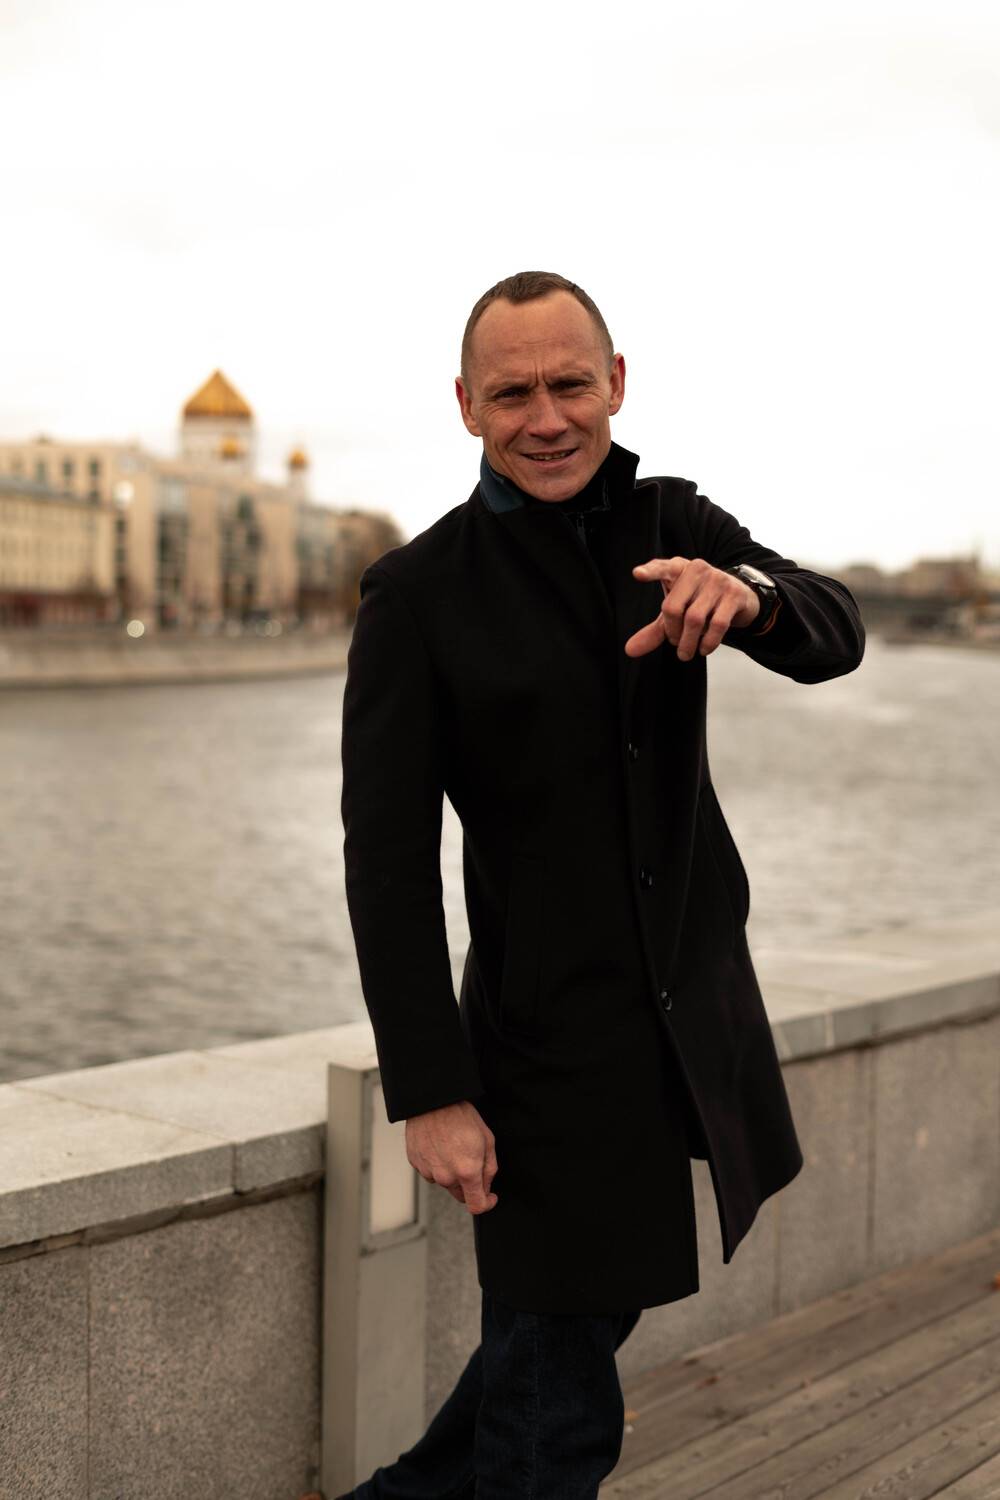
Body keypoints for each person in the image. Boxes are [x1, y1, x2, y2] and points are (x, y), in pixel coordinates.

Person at [338, 271, 865, 1498]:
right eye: (511, 394)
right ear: (465, 406)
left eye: (570, 384)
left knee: (555, 1345)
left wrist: (752, 601)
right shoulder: (415, 595)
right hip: (541, 1050)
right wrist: (431, 1090)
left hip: (686, 1019)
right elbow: (386, 864)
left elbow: (834, 630)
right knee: (556, 1412)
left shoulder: (672, 517)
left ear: (616, 384)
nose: (546, 418)